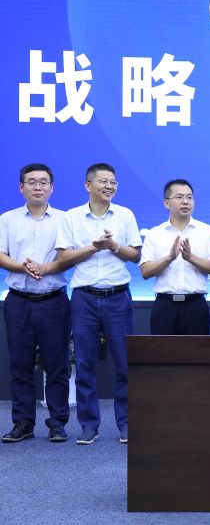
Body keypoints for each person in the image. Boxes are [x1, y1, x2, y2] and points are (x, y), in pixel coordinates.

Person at [55, 162, 142, 445]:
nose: (109, 186)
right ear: (87, 185)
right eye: (103, 181)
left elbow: (136, 255)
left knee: (125, 364)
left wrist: (113, 246)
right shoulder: (71, 217)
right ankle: (89, 425)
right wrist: (94, 247)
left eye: (113, 182)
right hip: (84, 298)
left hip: (118, 296)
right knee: (84, 364)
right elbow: (63, 258)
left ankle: (126, 424)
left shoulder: (125, 215)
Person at [0, 164, 71, 443]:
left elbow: (69, 257)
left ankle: (57, 422)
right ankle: (23, 423)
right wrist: (22, 266)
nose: (38, 187)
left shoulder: (65, 220)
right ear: (21, 187)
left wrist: (46, 268)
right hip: (19, 301)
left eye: (43, 182)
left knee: (57, 365)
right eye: (31, 182)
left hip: (53, 301)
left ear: (52, 187)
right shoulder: (7, 219)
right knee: (20, 364)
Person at [139, 179, 210, 336]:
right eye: (179, 197)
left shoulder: (207, 231)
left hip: (196, 306)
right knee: (163, 350)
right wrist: (169, 258)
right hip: (164, 306)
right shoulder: (155, 233)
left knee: (197, 351)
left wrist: (191, 258)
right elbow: (145, 272)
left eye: (189, 197)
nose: (185, 201)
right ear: (166, 203)